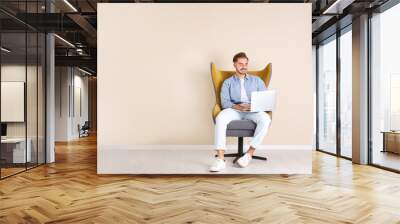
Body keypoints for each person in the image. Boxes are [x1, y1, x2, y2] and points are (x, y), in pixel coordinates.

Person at [209, 52, 272, 172]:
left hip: (253, 110)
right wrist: (239, 107)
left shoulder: (257, 81)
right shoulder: (228, 82)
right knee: (220, 118)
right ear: (235, 65)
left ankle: (248, 155)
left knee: (265, 119)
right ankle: (220, 160)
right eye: (240, 64)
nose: (244, 66)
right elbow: (224, 102)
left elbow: (265, 99)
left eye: (246, 64)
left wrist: (254, 106)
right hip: (234, 109)